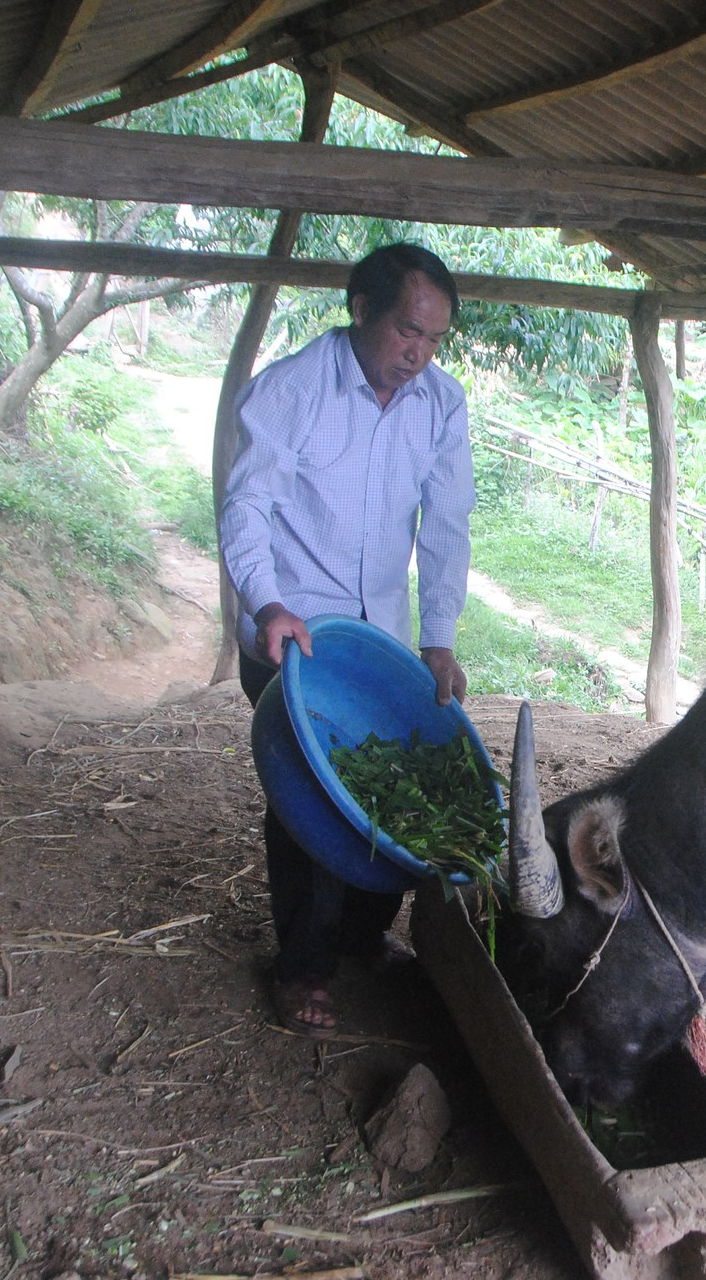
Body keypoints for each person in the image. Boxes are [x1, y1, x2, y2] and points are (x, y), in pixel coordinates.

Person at [219, 243, 474, 1037]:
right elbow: (245, 506)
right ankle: (301, 968)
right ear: (361, 309)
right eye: (407, 331)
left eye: (434, 339)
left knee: (390, 787)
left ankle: (361, 938)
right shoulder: (292, 390)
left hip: (380, 640)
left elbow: (449, 524)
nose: (419, 353)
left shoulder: (441, 403)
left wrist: (436, 637)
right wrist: (266, 605)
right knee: (314, 799)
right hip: (291, 634)